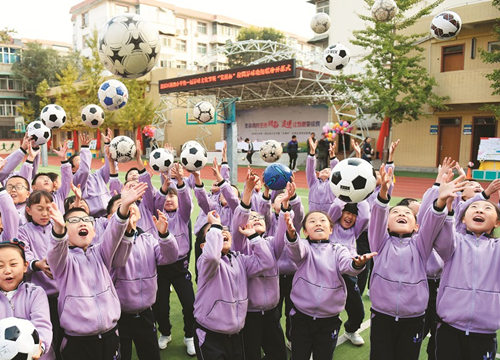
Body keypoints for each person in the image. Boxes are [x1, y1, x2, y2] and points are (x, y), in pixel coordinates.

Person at [368, 165, 465, 360]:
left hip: (413, 318)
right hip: (381, 315)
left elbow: (432, 222)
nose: (402, 214)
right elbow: (377, 217)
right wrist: (384, 193)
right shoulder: (380, 242)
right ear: (387, 222)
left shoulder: (421, 245)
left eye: (407, 214)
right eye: (395, 213)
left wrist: (440, 201)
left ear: (416, 226)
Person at [46, 182, 147, 360]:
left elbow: (114, 233)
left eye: (86, 220)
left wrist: (123, 207)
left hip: (110, 334)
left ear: (94, 230)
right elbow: (55, 251)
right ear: (66, 231)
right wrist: (58, 230)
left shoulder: (101, 253)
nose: (81, 223)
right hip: (77, 341)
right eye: (74, 221)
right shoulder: (64, 262)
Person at [284, 210, 375, 360]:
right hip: (301, 317)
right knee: (299, 355)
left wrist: (356, 263)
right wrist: (292, 237)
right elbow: (295, 251)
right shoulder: (305, 247)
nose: (318, 223)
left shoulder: (338, 250)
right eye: (312, 221)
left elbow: (348, 266)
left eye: (322, 220)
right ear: (305, 231)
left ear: (331, 229)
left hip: (329, 320)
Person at [192, 210, 274, 360]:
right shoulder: (205, 263)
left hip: (236, 335)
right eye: (214, 231)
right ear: (204, 245)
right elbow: (211, 255)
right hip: (210, 335)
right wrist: (215, 225)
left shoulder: (240, 260)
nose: (221, 231)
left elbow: (267, 262)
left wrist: (253, 236)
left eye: (224, 229)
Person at [433, 179, 500, 359]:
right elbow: (440, 231)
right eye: (474, 207)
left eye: (487, 209)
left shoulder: (497, 248)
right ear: (463, 218)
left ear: (497, 223)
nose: (480, 210)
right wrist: (446, 207)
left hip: (484, 332)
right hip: (450, 328)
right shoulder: (454, 243)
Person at [0, 239, 52, 359]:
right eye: (0, 266)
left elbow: (42, 324)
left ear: (25, 266)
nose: (7, 271)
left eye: (13, 264)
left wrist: (41, 346)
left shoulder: (35, 293)